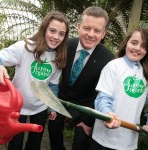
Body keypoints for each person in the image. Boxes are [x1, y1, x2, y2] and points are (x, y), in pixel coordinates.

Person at [0, 11, 69, 150]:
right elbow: (0, 57)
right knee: (15, 144)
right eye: (52, 31)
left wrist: (52, 106)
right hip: (18, 109)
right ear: (44, 29)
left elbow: (53, 86)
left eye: (61, 34)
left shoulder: (58, 56)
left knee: (34, 144)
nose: (56, 37)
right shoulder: (25, 47)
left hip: (40, 108)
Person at [48, 6, 114, 150]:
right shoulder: (65, 45)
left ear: (103, 34)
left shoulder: (109, 60)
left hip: (86, 107)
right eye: (86, 28)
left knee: (81, 142)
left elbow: (100, 92)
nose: (91, 34)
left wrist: (87, 121)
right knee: (53, 132)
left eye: (97, 31)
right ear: (78, 27)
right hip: (60, 100)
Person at [89, 28, 148, 150]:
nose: (137, 48)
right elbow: (103, 98)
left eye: (143, 46)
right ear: (126, 43)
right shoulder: (113, 66)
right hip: (103, 140)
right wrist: (107, 114)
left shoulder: (146, 73)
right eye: (134, 42)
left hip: (129, 143)